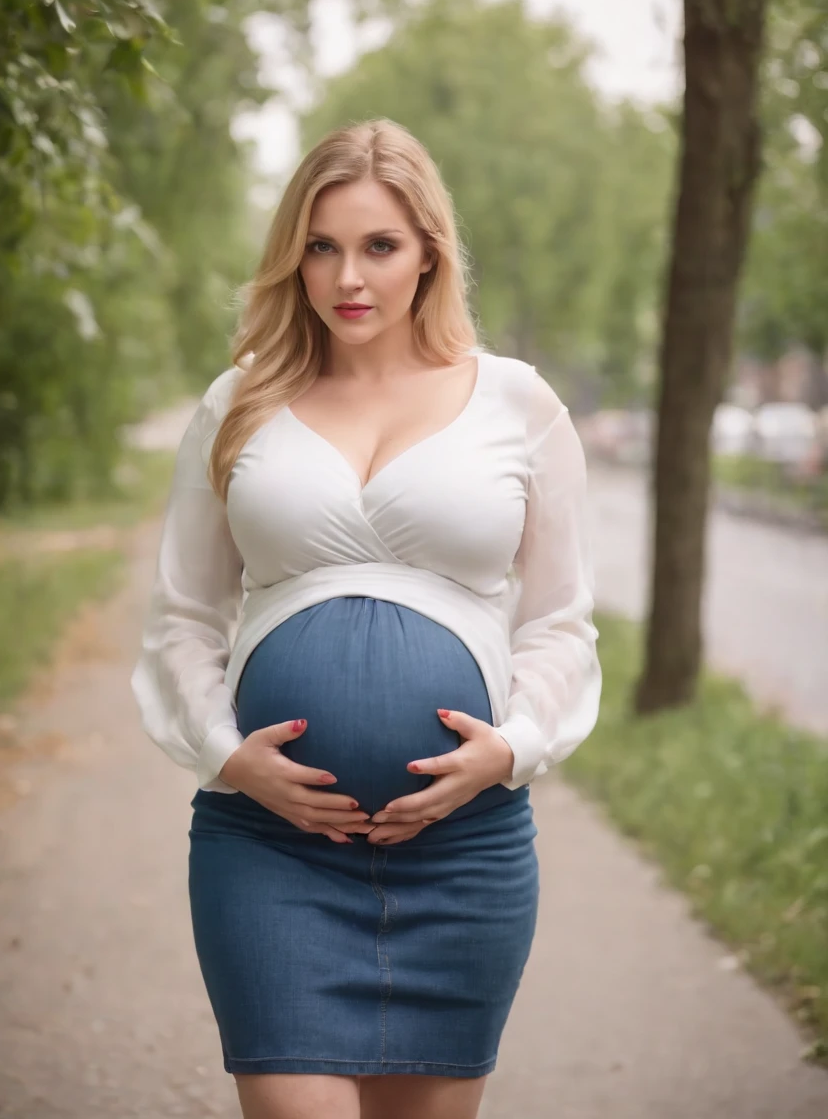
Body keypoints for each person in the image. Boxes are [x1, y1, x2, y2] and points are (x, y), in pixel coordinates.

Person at [131, 118, 601, 1119]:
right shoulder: (240, 406)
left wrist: (509, 748)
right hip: (270, 850)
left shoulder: (517, 405)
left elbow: (560, 622)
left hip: (465, 852)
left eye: (378, 245)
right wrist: (227, 754)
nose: (348, 275)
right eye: (321, 245)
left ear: (429, 252)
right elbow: (181, 616)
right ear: (292, 255)